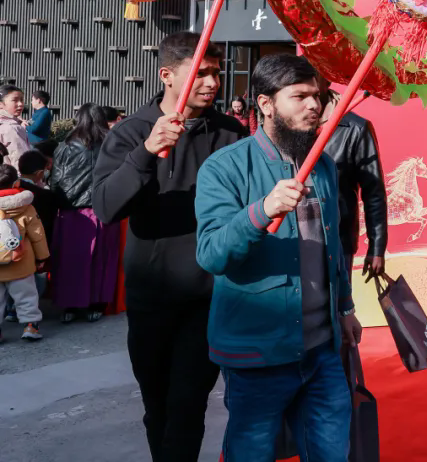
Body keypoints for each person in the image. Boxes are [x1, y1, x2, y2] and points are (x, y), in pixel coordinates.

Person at [195, 53, 362, 460]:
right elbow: (212, 255)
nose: (314, 105)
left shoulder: (322, 165)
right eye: (299, 96)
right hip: (258, 354)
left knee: (331, 453)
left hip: (322, 350)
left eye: (317, 96)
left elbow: (332, 248)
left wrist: (344, 307)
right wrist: (261, 211)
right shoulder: (224, 168)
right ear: (266, 104)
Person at [93, 32, 247, 462]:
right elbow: (106, 208)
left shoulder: (231, 133)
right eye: (201, 72)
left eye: (216, 73)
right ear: (167, 75)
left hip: (209, 294)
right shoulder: (132, 132)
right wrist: (145, 153)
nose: (212, 82)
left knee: (188, 403)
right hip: (152, 294)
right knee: (157, 403)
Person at [51, 104, 120, 323]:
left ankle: (69, 306)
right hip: (103, 207)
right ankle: (96, 304)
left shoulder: (65, 145)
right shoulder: (112, 143)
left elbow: (56, 180)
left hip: (72, 211)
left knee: (70, 260)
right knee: (101, 259)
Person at [317, 77, 388, 279]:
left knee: (338, 298)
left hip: (338, 241)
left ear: (326, 79)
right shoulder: (290, 125)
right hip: (294, 241)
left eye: (312, 75)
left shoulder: (355, 128)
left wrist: (376, 247)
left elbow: (374, 192)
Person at [0, 164, 49, 343]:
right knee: (26, 295)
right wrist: (42, 257)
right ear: (16, 183)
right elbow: (37, 235)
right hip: (21, 261)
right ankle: (30, 326)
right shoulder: (26, 207)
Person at [0, 84, 31, 168]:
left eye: (22, 100)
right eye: (15, 100)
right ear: (1, 104)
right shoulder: (12, 128)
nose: (20, 104)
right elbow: (20, 161)